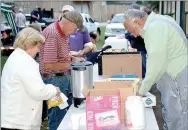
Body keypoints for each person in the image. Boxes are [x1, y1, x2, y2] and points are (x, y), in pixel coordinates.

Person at [123, 9, 188, 130]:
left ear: (137, 22)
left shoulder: (154, 29)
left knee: (178, 115)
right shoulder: (160, 20)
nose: (134, 35)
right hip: (175, 74)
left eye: (132, 30)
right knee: (174, 112)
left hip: (177, 77)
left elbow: (156, 66)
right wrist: (145, 80)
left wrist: (141, 92)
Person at [1, 27, 61, 130]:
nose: (39, 50)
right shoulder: (25, 62)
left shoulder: (15, 57)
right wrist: (53, 89)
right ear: (29, 44)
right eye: (38, 47)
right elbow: (38, 91)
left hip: (11, 119)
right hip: (20, 123)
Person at [39, 11, 85, 130]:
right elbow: (49, 65)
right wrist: (72, 64)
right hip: (54, 81)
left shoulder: (63, 33)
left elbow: (60, 56)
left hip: (60, 79)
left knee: (64, 114)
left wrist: (74, 59)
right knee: (57, 117)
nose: (76, 32)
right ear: (69, 22)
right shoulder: (53, 34)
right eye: (75, 28)